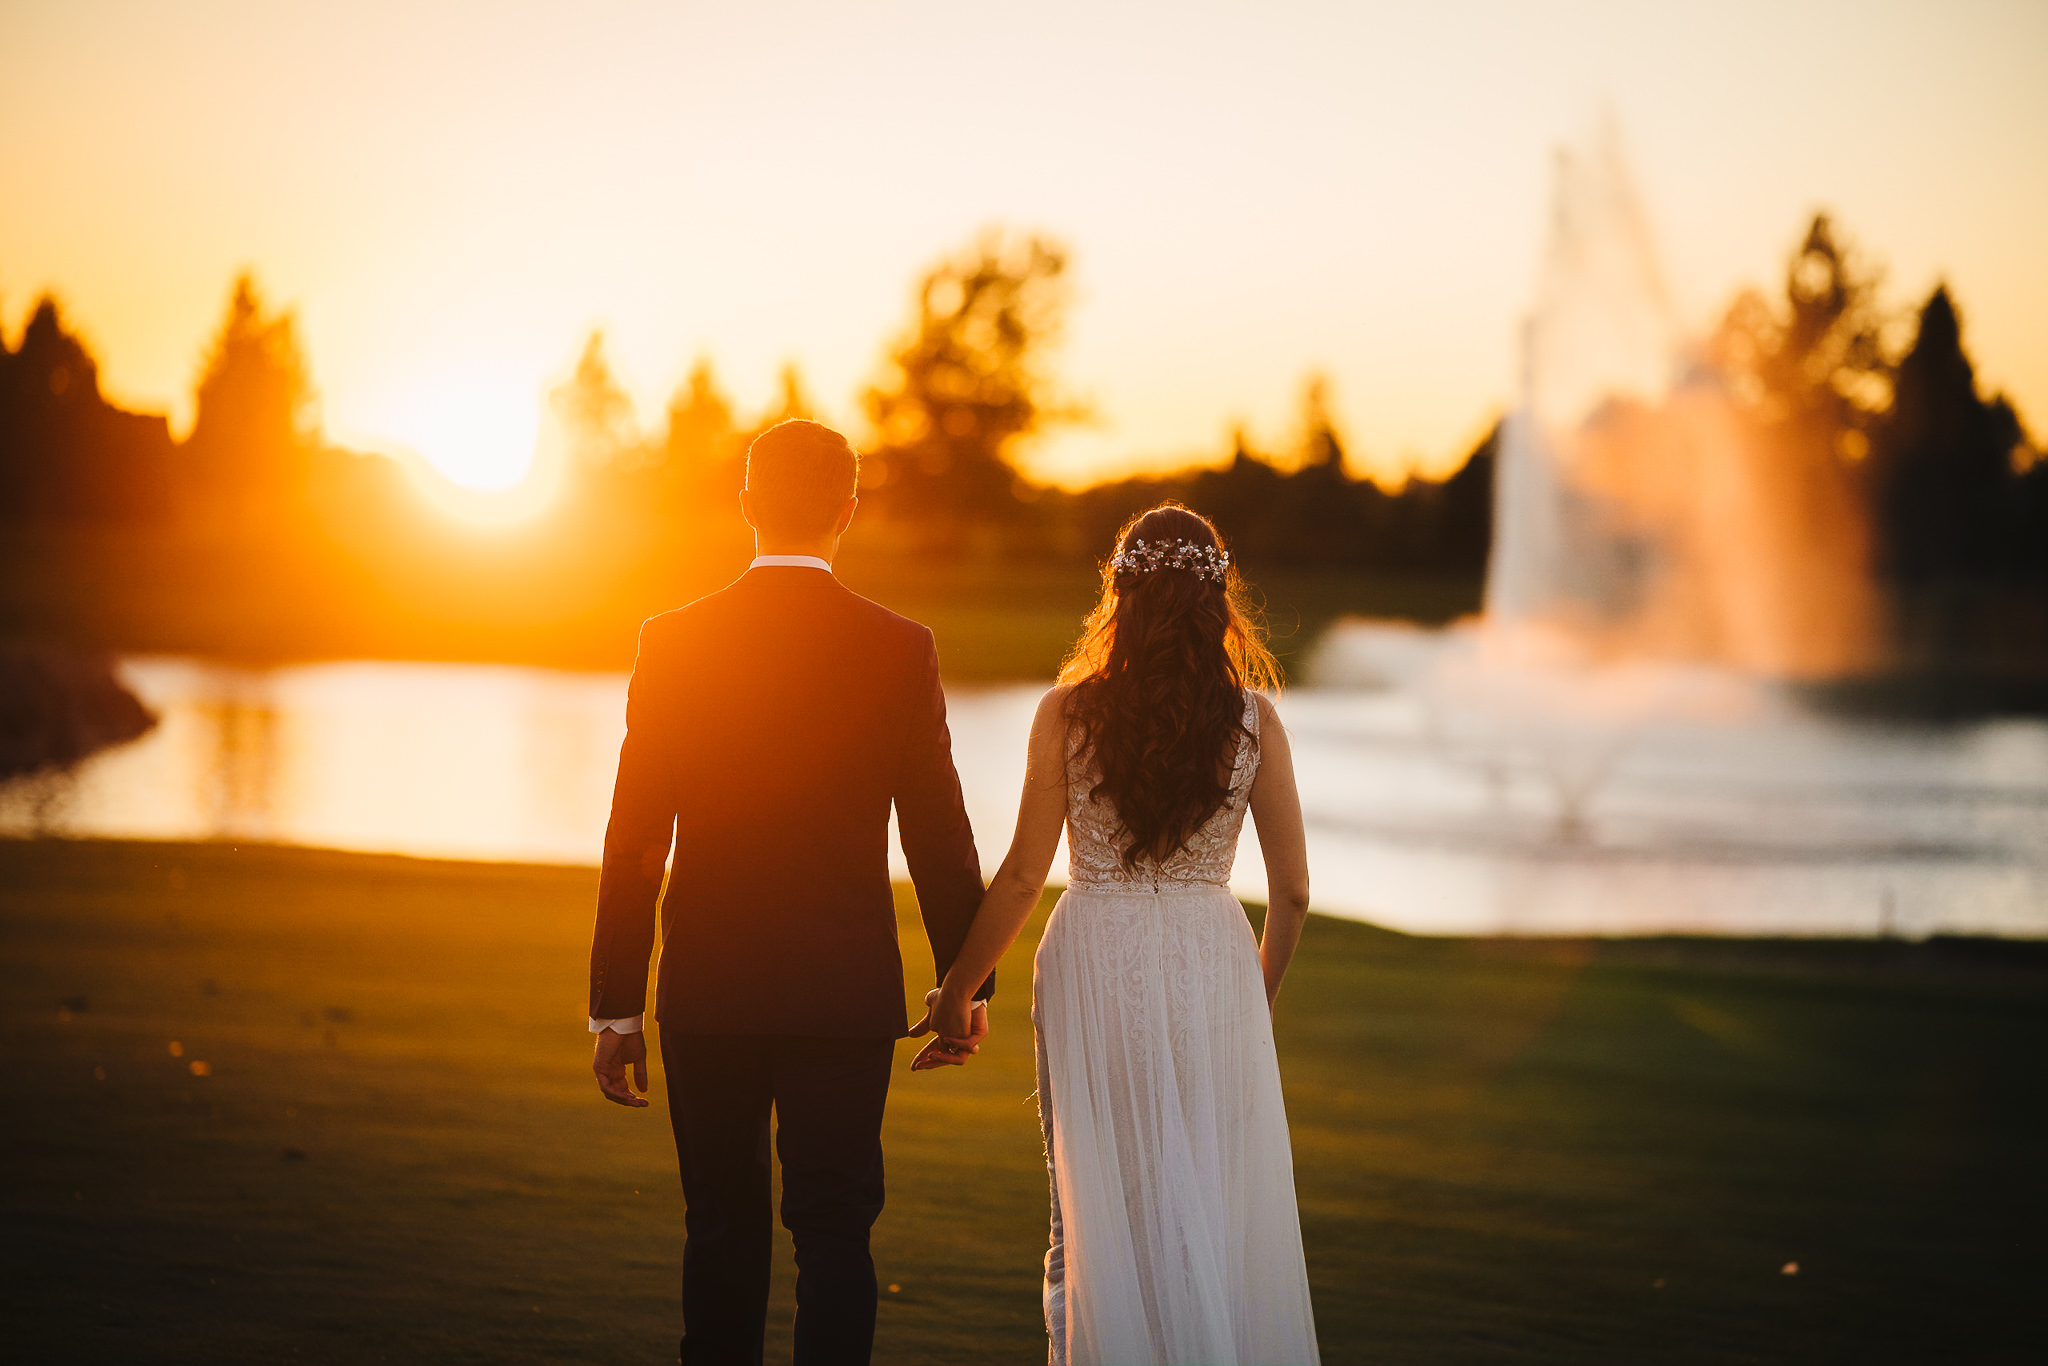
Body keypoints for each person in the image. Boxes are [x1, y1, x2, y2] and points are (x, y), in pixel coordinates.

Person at [586, 418, 993, 1366]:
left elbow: (635, 839)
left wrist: (616, 1006)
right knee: (836, 1234)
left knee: (721, 1231)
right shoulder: (900, 648)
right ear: (848, 511)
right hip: (841, 995)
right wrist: (963, 985)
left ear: (745, 507)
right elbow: (938, 832)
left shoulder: (673, 639)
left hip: (708, 989)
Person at [914, 504, 1321, 1365]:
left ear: (1121, 594)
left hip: (1095, 951)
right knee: (1204, 1199)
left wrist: (957, 992)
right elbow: (1292, 892)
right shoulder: (1256, 722)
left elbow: (1024, 874)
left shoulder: (1069, 713)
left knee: (1094, 1201)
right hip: (1213, 962)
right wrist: (1254, 998)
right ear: (1217, 602)